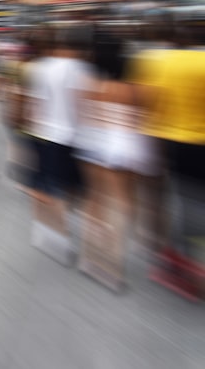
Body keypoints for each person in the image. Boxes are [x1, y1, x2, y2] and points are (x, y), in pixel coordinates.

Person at [75, 29, 155, 291]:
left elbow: (83, 116)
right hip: (124, 148)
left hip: (92, 144)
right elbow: (144, 117)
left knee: (94, 199)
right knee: (123, 203)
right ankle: (114, 265)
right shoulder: (133, 89)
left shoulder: (89, 86)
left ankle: (90, 256)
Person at [133, 23, 205, 299]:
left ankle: (173, 256)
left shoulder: (159, 61)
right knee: (194, 202)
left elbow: (147, 101)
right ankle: (180, 259)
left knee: (182, 200)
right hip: (198, 143)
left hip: (167, 141)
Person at [25, 25, 93, 265]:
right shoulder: (83, 70)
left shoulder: (42, 67)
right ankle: (66, 234)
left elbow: (35, 104)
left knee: (50, 187)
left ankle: (53, 233)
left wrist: (32, 138)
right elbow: (83, 108)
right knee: (72, 189)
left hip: (45, 134)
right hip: (73, 138)